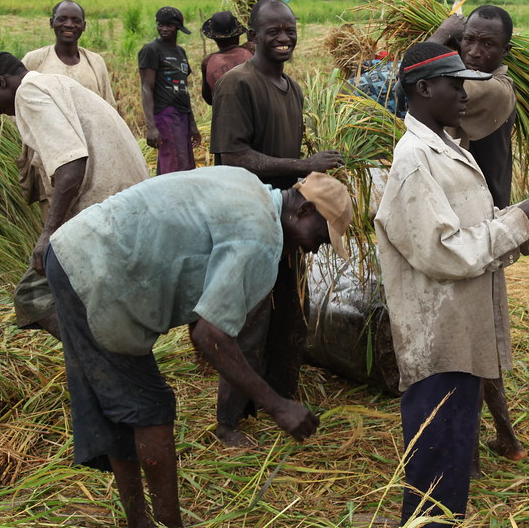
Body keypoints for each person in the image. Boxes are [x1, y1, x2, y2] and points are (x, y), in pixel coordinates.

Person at [43, 166, 352, 528]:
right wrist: (278, 405)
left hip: (77, 249)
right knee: (150, 408)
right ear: (304, 211)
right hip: (96, 272)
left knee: (126, 406)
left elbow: (192, 241)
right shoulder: (262, 239)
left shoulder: (248, 186)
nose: (315, 249)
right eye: (320, 236)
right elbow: (211, 336)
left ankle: (139, 522)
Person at [376, 42, 529, 526]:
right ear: (423, 89)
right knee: (434, 469)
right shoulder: (415, 160)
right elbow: (444, 251)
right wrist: (520, 220)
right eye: (454, 84)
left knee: (450, 460)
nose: (465, 94)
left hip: (460, 332)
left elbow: (470, 227)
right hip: (437, 337)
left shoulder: (445, 148)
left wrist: (525, 218)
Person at [209, 0, 344, 446]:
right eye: (273, 31)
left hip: (287, 219)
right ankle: (228, 422)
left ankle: (280, 402)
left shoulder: (293, 89)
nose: (284, 38)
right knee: (248, 321)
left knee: (289, 316)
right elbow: (234, 156)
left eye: (290, 29)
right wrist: (304, 163)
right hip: (247, 220)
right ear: (253, 37)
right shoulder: (237, 84)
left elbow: (286, 157)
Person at [0, 52, 149, 340]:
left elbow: (71, 163)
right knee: (94, 301)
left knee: (33, 295)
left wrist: (48, 234)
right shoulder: (55, 83)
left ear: (0, 82)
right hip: (130, 207)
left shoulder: (29, 93)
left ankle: (97, 360)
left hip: (105, 214)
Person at [429, 5, 529, 467]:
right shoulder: (470, 74)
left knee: (467, 341)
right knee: (477, 334)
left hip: (481, 226)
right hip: (467, 224)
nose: (472, 49)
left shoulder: (491, 89)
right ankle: (505, 437)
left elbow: (421, 85)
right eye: (467, 39)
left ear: (505, 51)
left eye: (486, 44)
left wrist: (442, 33)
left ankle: (466, 451)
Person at [138, 6, 200, 174]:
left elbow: (183, 89)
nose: (164, 29)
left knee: (185, 163)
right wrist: (151, 126)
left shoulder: (181, 52)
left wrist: (193, 124)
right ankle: (168, 199)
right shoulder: (151, 50)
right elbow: (146, 88)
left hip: (182, 115)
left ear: (178, 28)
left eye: (169, 26)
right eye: (160, 24)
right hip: (165, 114)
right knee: (171, 164)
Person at [199, 10, 253, 105]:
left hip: (225, 115)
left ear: (214, 38)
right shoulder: (251, 51)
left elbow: (209, 99)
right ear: (239, 33)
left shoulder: (208, 62)